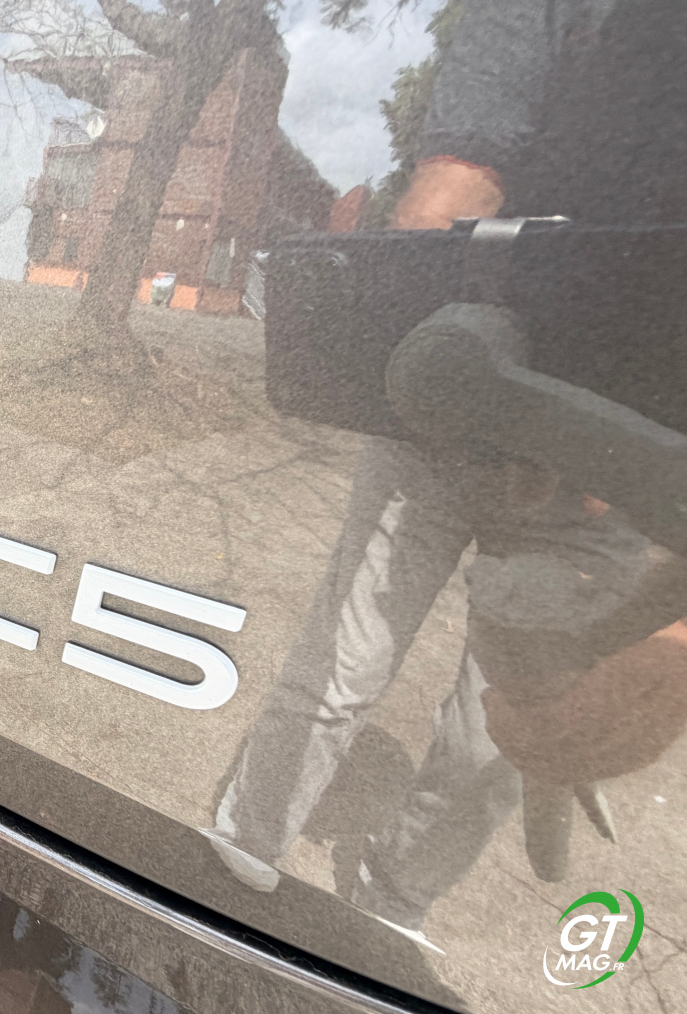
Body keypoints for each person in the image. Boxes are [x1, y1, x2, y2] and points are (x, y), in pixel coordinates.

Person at [205, 0, 685, 939]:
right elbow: (451, 188)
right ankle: (310, 871)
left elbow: (446, 196)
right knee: (476, 712)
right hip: (511, 417)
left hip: (582, 445)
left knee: (472, 715)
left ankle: (288, 867)